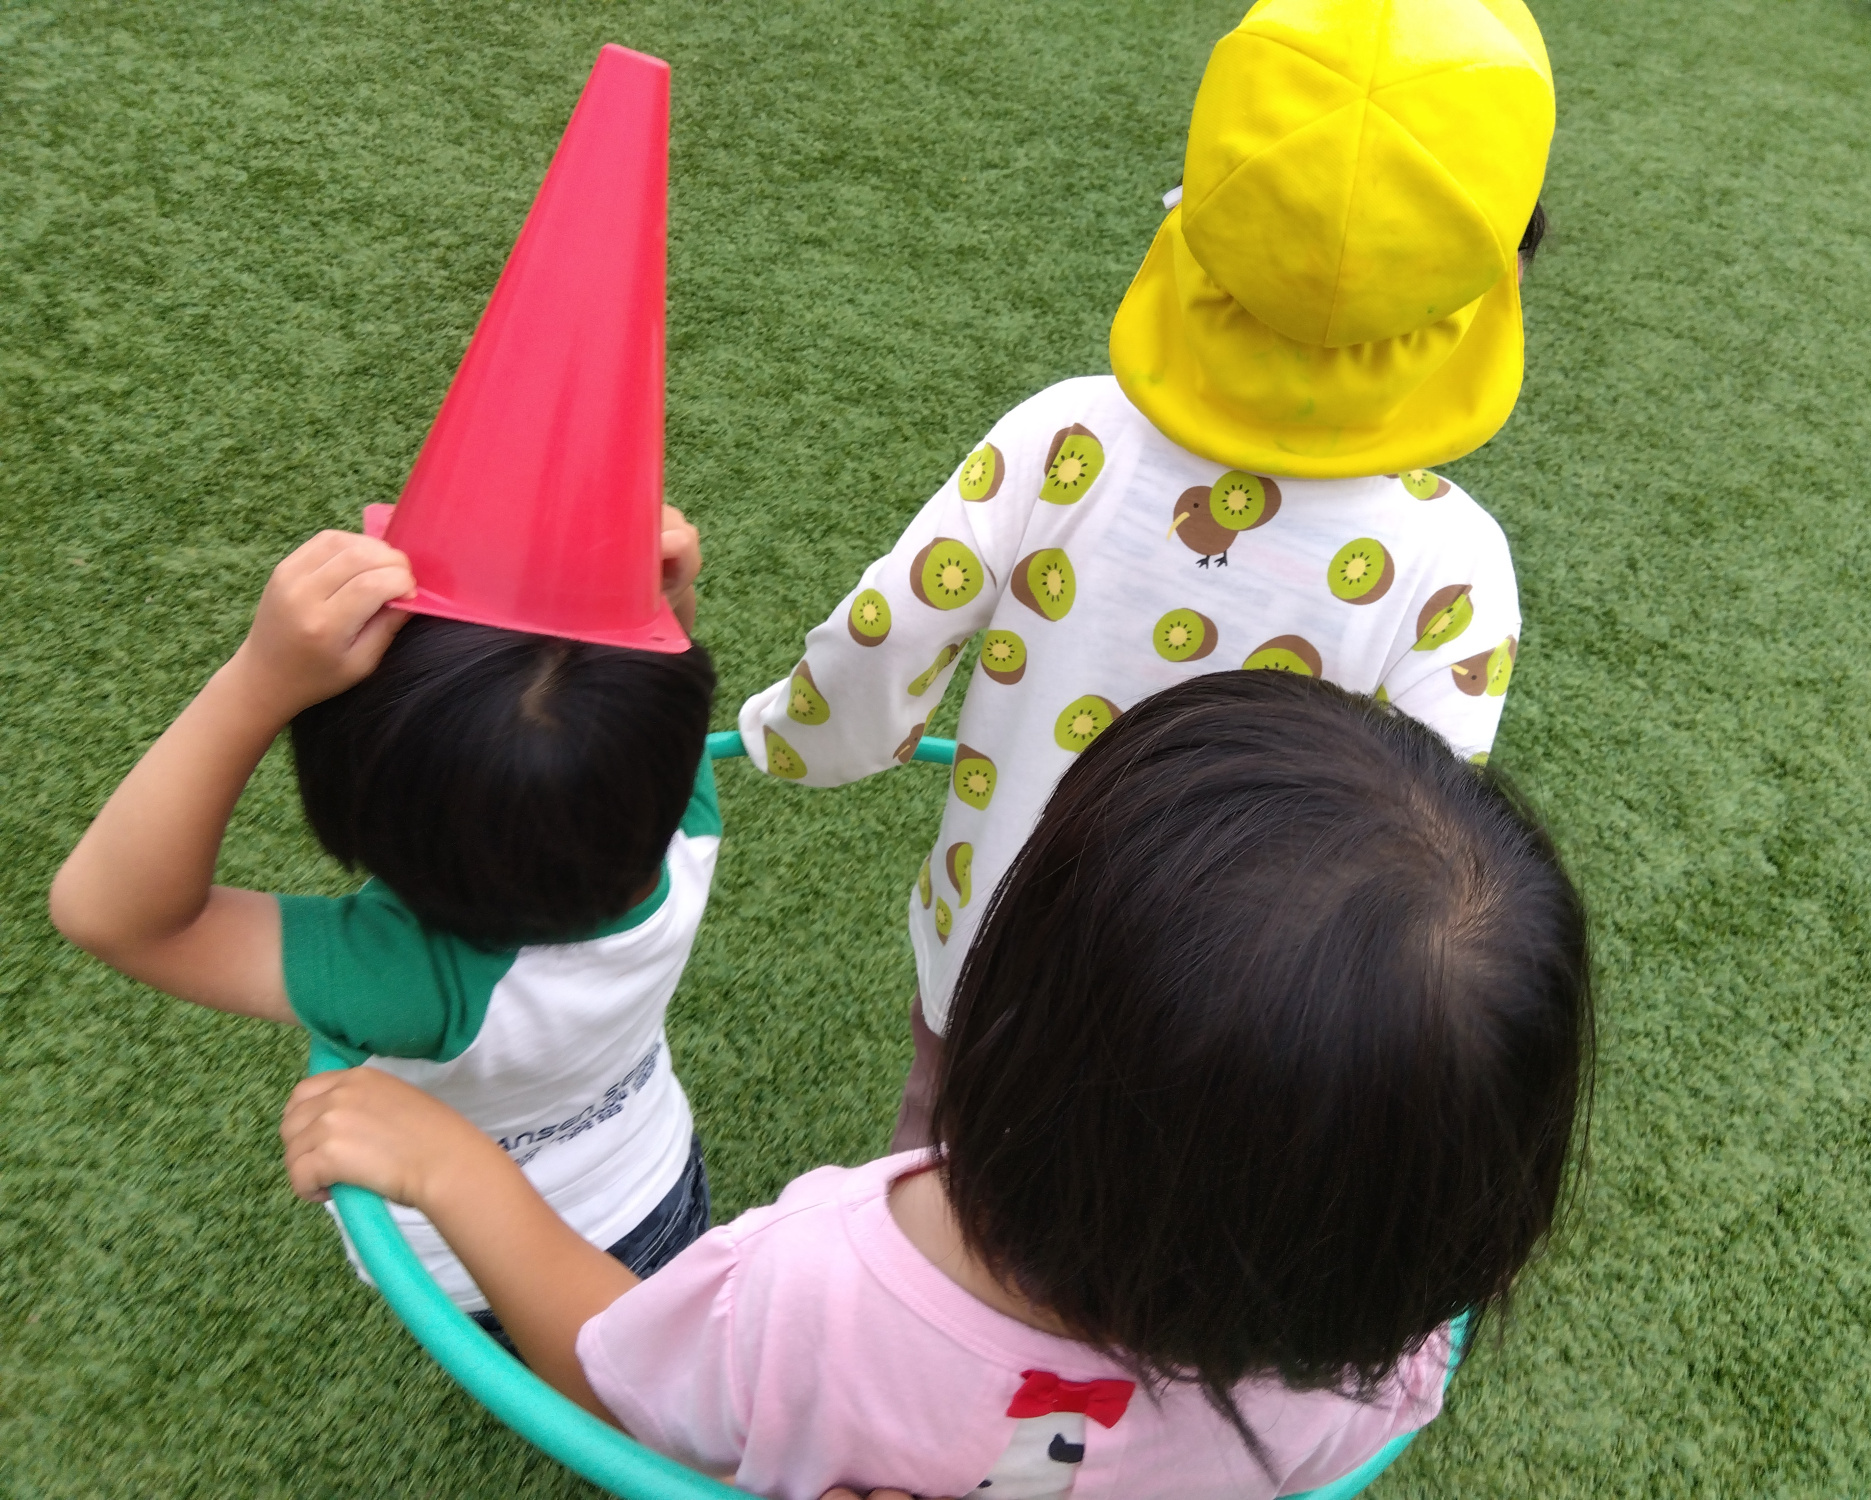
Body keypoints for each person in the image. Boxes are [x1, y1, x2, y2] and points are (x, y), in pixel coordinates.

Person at [281, 671, 1595, 1500]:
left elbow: (617, 1375)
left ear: (1018, 1019)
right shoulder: (1367, 1370)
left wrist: (458, 1168)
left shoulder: (828, 1285)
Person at [735, 0, 1563, 1151]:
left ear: (1206, 196)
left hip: (991, 961)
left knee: (934, 1174)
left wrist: (797, 738)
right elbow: (1417, 850)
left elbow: (886, 632)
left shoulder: (1064, 438)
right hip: (1221, 1036)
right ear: (1498, 270)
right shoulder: (1454, 566)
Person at [49, 513, 721, 1340]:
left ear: (363, 823)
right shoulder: (687, 828)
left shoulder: (413, 974)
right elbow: (646, 732)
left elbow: (115, 916)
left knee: (603, 1374)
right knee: (656, 1359)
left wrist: (258, 683)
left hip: (489, 1266)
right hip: (656, 1180)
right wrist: (657, 604)